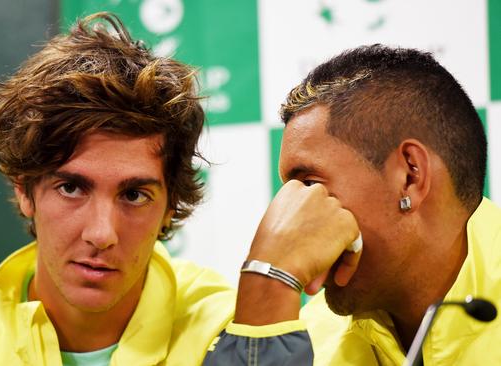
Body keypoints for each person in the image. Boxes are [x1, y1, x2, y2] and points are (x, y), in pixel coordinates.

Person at [0, 12, 235, 365]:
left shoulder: (228, 335)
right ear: (24, 188)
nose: (101, 234)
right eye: (71, 188)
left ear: (171, 205)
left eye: (133, 195)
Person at [204, 44, 500, 365]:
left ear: (410, 176)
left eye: (310, 185)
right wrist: (267, 284)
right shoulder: (315, 338)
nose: (291, 215)